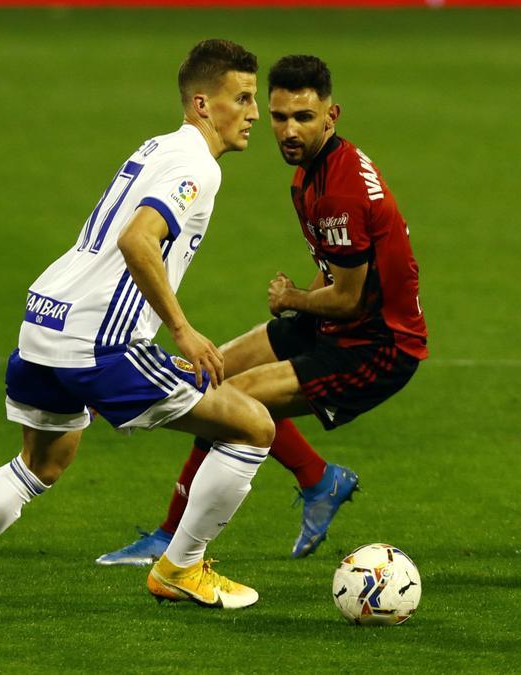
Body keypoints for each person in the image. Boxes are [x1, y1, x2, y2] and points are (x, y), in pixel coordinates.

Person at [0, 39, 273, 609]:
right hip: (101, 341)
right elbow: (137, 239)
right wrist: (182, 330)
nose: (254, 113)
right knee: (253, 426)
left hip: (44, 320)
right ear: (201, 104)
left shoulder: (159, 146)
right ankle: (180, 569)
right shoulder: (197, 166)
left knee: (42, 462)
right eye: (241, 98)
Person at [96, 54, 428, 566]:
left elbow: (348, 297)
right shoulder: (312, 174)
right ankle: (318, 479)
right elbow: (339, 268)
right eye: (278, 116)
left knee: (227, 404)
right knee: (209, 374)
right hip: (338, 326)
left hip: (377, 346)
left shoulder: (337, 188)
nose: (287, 130)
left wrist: (293, 298)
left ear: (331, 116)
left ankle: (175, 540)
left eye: (303, 118)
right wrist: (304, 301)